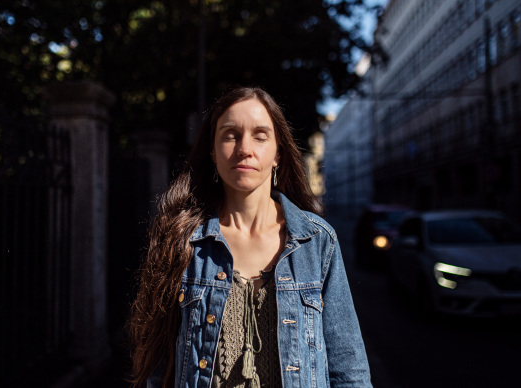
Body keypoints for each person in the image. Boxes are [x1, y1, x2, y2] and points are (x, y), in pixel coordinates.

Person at [128, 86, 372, 388]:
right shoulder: (182, 240)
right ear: (213, 152)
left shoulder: (317, 242)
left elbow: (349, 371)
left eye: (260, 135)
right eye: (230, 134)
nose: (245, 148)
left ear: (277, 154)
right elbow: (157, 368)